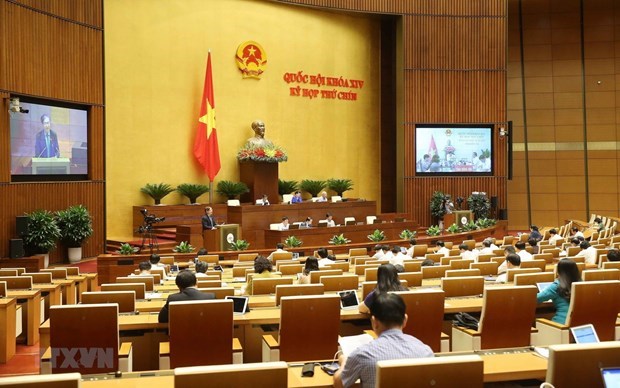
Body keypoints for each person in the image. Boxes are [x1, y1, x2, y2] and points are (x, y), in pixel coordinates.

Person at [334, 293, 434, 388]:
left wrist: (344, 361)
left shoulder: (362, 355)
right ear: (405, 320)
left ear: (374, 322)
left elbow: (339, 384)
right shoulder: (426, 352)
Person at [536, 258, 581, 324]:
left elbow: (536, 299)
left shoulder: (557, 286)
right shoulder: (581, 284)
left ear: (559, 271)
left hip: (561, 325)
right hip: (579, 323)